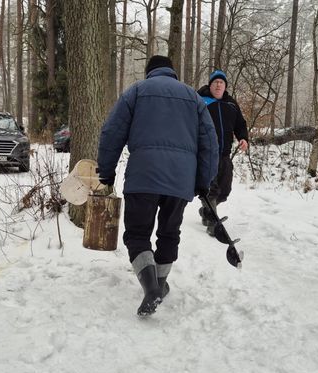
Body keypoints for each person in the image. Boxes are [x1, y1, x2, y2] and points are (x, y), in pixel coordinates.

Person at [97, 55, 219, 316]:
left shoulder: (137, 91)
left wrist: (106, 171)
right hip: (180, 180)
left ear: (149, 72)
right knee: (169, 233)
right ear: (172, 72)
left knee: (137, 234)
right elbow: (210, 142)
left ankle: (151, 287)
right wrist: (203, 181)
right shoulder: (193, 98)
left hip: (143, 177)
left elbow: (112, 131)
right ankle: (160, 284)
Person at [197, 70, 249, 234]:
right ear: (210, 85)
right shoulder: (200, 101)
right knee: (211, 190)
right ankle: (214, 225)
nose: (218, 85)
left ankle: (206, 211)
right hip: (206, 154)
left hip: (225, 154)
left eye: (221, 82)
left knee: (224, 191)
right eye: (215, 82)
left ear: (225, 86)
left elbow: (240, 124)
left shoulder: (231, 104)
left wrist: (243, 138)